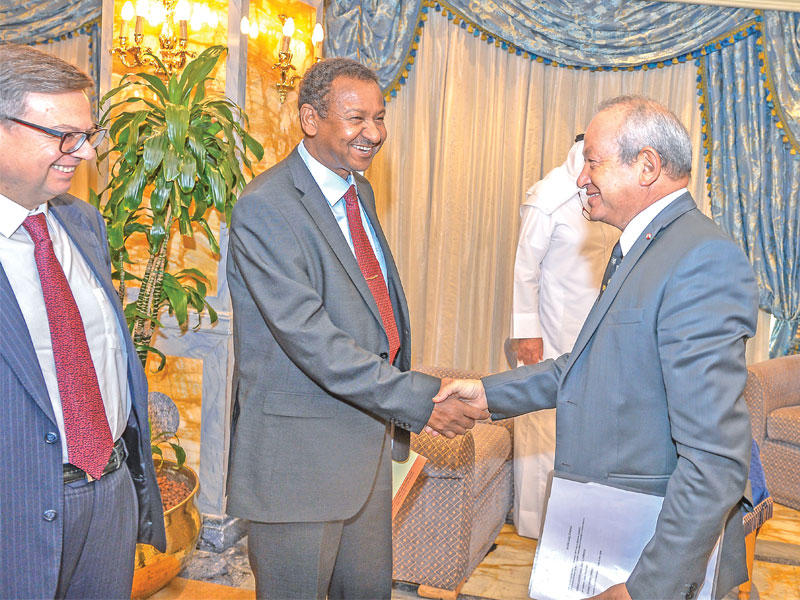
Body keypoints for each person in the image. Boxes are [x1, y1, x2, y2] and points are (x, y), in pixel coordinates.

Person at [436, 96, 758, 600]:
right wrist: (487, 394)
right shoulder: (644, 245)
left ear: (647, 166)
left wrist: (646, 589)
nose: (581, 178)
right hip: (612, 529)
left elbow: (714, 462)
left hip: (649, 549)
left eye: (592, 162)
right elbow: (589, 365)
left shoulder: (701, 259)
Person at [225, 57, 487, 599]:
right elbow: (313, 341)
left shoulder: (356, 190)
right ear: (310, 119)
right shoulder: (265, 207)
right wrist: (419, 400)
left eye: (379, 117)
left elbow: (370, 311)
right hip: (299, 461)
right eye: (356, 119)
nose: (374, 132)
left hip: (365, 449)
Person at [0, 44, 166, 599]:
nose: (86, 153)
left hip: (109, 495)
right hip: (15, 512)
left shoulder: (83, 223)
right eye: (64, 136)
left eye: (87, 135)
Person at [510, 135, 618, 537]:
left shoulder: (606, 194)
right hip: (549, 331)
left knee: (582, 425)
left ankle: (572, 524)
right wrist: (527, 332)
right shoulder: (548, 196)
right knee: (543, 426)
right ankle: (535, 524)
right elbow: (525, 270)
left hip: (592, 329)